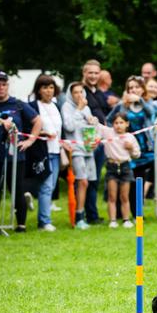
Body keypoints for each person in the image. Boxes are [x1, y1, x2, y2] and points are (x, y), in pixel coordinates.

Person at [0, 71, 42, 232]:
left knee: (17, 189)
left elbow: (37, 121)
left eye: (4, 84)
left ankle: (21, 224)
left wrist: (30, 141)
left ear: (8, 86)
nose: (1, 88)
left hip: (15, 156)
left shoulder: (18, 104)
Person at [107, 76, 157, 209]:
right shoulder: (121, 105)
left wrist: (140, 100)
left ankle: (138, 212)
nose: (133, 90)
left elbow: (152, 113)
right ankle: (121, 212)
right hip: (126, 148)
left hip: (144, 148)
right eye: (130, 88)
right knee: (127, 181)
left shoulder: (147, 103)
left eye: (136, 87)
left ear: (142, 89)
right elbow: (109, 120)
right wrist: (116, 135)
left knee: (141, 179)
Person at [61, 82, 98, 229]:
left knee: (89, 182)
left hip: (88, 149)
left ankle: (87, 215)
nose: (79, 95)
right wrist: (79, 110)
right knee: (82, 182)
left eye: (81, 92)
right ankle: (79, 217)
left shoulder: (87, 108)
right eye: (75, 92)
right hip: (75, 150)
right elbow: (69, 127)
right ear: (70, 94)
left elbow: (91, 129)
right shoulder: (67, 107)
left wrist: (94, 123)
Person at [29, 75, 63, 231]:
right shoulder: (33, 106)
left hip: (56, 150)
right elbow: (28, 127)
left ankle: (44, 218)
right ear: (38, 90)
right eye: (45, 88)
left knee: (51, 186)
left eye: (51, 87)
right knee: (46, 186)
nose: (49, 91)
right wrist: (41, 132)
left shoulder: (56, 106)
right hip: (42, 151)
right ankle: (44, 221)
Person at [97, 112, 141, 228]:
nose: (118, 125)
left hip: (125, 167)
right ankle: (112, 220)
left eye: (121, 123)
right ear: (113, 124)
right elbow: (97, 125)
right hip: (111, 166)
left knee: (124, 196)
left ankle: (126, 219)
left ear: (127, 124)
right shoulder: (108, 133)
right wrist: (93, 119)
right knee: (112, 196)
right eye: (116, 123)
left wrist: (131, 148)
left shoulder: (130, 137)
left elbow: (137, 154)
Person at [80, 60, 109, 224]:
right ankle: (84, 215)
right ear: (84, 73)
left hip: (101, 141)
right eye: (90, 72)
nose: (93, 76)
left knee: (95, 178)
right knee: (87, 180)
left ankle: (92, 214)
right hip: (87, 142)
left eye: (96, 73)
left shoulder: (99, 93)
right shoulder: (80, 92)